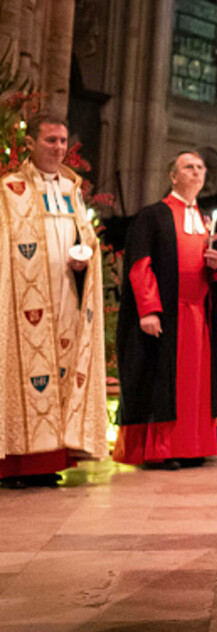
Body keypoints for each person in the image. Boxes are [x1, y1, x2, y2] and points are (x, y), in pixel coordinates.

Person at [0, 114, 106, 487]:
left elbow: (86, 235)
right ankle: (16, 464)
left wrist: (85, 258)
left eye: (63, 141)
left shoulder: (71, 188)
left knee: (59, 372)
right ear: (31, 144)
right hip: (21, 303)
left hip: (65, 295)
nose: (59, 148)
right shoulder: (9, 189)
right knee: (20, 374)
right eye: (51, 141)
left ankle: (49, 461)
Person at [115, 151, 217, 470]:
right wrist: (149, 310)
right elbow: (140, 265)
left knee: (195, 384)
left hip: (198, 316)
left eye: (200, 168)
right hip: (169, 314)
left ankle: (193, 446)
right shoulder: (153, 215)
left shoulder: (206, 218)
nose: (196, 172)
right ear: (173, 176)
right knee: (166, 380)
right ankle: (163, 449)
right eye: (188, 167)